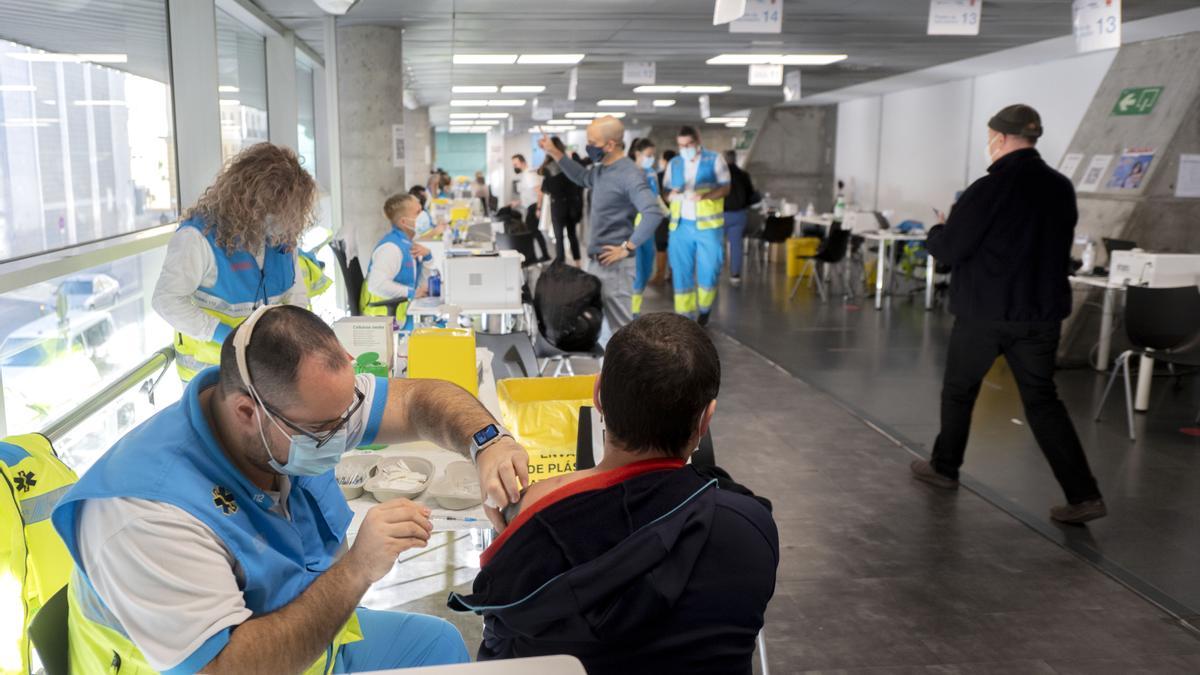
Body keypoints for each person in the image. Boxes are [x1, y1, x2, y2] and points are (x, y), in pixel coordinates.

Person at [52, 304, 531, 673]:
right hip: (237, 664)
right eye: (325, 430)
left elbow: (420, 399)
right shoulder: (146, 514)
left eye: (349, 416)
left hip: (305, 638)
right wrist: (357, 569)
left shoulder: (293, 412)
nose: (343, 437)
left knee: (438, 646)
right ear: (246, 412)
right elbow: (228, 667)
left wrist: (486, 441)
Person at [449, 313, 778, 674]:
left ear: (597, 396)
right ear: (706, 419)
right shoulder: (750, 527)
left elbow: (501, 644)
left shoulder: (532, 517)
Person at [910, 104, 1106, 525]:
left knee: (960, 390)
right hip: (1041, 315)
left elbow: (950, 251)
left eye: (989, 138)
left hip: (986, 313)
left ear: (998, 138)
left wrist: (938, 229)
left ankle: (944, 468)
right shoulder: (1060, 187)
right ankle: (1084, 494)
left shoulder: (987, 189)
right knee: (1042, 401)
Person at [153, 143, 313, 382]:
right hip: (211, 376)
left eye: (286, 213)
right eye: (272, 211)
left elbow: (295, 292)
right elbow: (166, 301)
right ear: (246, 202)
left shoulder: (280, 236)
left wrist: (296, 338)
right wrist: (227, 336)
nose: (280, 221)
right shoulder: (197, 238)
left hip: (266, 370)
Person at [537, 116, 666, 338]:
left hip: (615, 265)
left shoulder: (628, 173)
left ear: (610, 145)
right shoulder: (601, 170)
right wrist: (554, 152)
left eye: (593, 142)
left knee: (620, 332)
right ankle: (608, 371)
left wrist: (627, 247)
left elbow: (653, 213)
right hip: (597, 262)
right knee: (601, 329)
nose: (589, 146)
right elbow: (580, 176)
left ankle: (624, 372)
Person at [664, 126, 731, 325]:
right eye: (681, 145)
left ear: (697, 141)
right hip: (680, 226)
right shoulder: (674, 163)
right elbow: (666, 192)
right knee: (680, 270)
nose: (685, 148)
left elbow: (726, 188)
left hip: (708, 226)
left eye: (689, 144)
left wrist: (705, 196)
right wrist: (671, 195)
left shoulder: (714, 159)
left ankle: (704, 308)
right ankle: (684, 316)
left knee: (709, 269)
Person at [360, 193, 432, 329]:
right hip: (386, 320)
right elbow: (376, 285)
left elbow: (419, 283)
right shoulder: (391, 249)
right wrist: (412, 293)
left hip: (404, 311)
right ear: (404, 222)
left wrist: (428, 258)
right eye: (418, 213)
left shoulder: (406, 242)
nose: (424, 216)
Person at [628, 138, 662, 315]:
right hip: (632, 228)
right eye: (649, 155)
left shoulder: (651, 173)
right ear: (637, 154)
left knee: (647, 268)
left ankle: (635, 309)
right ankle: (632, 313)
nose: (652, 158)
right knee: (637, 270)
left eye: (653, 155)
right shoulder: (627, 173)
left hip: (649, 228)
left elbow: (656, 199)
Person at [538, 136, 584, 264]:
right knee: (572, 235)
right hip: (573, 205)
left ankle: (560, 264)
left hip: (558, 205)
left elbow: (546, 188)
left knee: (559, 237)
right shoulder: (571, 164)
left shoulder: (550, 167)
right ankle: (578, 264)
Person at [723, 150, 757, 287]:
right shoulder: (744, 175)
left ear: (724, 160)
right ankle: (735, 275)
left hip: (722, 214)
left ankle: (714, 273)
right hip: (740, 215)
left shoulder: (720, 175)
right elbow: (751, 195)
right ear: (735, 159)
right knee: (736, 245)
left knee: (717, 245)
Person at [651, 149, 677, 284]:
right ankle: (673, 274)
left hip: (662, 215)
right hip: (678, 215)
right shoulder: (680, 175)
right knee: (674, 245)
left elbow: (655, 195)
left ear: (665, 161)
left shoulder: (659, 176)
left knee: (661, 244)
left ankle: (660, 275)